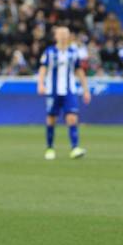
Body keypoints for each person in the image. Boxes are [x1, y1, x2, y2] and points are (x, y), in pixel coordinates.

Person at [36, 26, 91, 160]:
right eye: (61, 34)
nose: (63, 36)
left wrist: (85, 89)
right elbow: (43, 69)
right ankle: (50, 148)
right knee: (51, 119)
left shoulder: (73, 52)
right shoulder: (49, 52)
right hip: (53, 90)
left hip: (69, 90)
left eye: (66, 34)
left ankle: (74, 148)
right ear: (56, 36)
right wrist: (40, 83)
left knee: (72, 117)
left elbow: (79, 71)